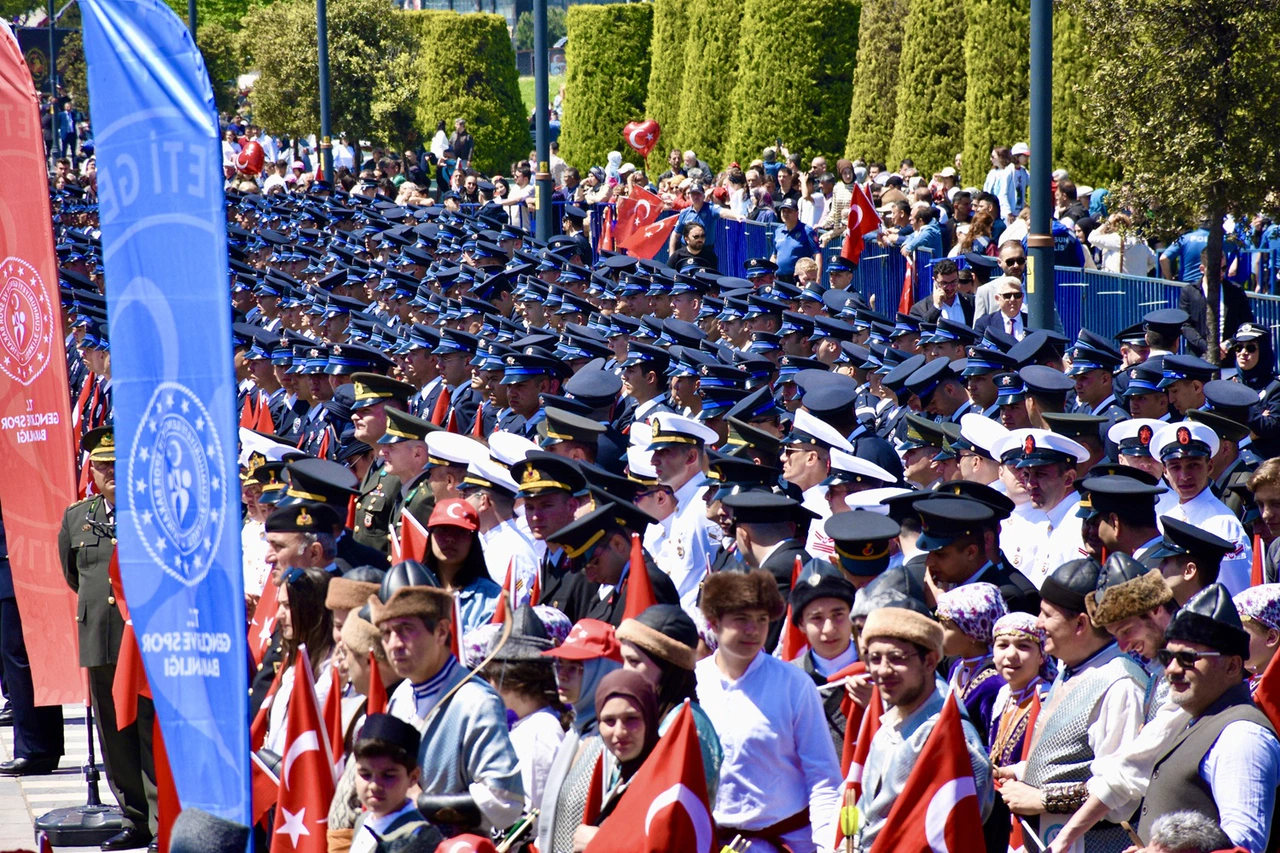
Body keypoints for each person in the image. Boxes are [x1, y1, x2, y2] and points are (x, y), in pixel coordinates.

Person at [999, 558, 1148, 853]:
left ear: (1080, 623)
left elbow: (1123, 789)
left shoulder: (1120, 684)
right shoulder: (1071, 666)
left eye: (1046, 615)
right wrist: (1021, 771)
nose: (1038, 624)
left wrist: (1042, 798)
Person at [59, 426, 156, 849]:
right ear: (92, 470)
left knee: (150, 732)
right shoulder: (77, 516)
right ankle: (133, 818)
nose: (111, 470)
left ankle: (160, 821)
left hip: (145, 642)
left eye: (118, 463)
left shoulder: (152, 511)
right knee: (113, 734)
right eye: (102, 464)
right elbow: (73, 574)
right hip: (100, 637)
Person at [696, 569, 841, 852]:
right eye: (741, 620)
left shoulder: (794, 684)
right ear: (714, 623)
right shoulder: (694, 682)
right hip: (710, 841)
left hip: (788, 841)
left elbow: (823, 776)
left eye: (761, 620)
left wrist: (825, 845)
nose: (753, 630)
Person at [1136, 585, 1280, 853]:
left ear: (1232, 666)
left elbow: (1244, 845)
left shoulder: (1242, 735)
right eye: (1167, 657)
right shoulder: (1195, 719)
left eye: (1189, 659)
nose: (1173, 669)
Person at [371, 583, 524, 833]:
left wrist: (422, 803)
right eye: (386, 633)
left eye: (406, 629)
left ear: (441, 631)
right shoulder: (401, 696)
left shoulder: (476, 701)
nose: (394, 644)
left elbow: (504, 800)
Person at [854, 605, 994, 850]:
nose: (883, 670)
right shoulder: (885, 730)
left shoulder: (950, 735)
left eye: (897, 658)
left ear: (929, 661)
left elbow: (962, 821)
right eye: (874, 658)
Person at [615, 604, 722, 797]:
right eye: (623, 660)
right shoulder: (655, 716)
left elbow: (669, 814)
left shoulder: (687, 729)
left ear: (667, 668)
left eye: (634, 662)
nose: (624, 672)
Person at [536, 619, 623, 853]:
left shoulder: (617, 742)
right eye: (559, 664)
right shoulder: (576, 731)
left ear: (603, 670)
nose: (561, 676)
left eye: (573, 667)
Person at [1152, 422, 1251, 594]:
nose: (1184, 476)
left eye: (1193, 465)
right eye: (1175, 467)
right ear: (1164, 471)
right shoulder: (1167, 515)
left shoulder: (1224, 524)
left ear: (1209, 466)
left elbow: (1236, 592)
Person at [349, 714, 443, 853]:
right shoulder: (363, 820)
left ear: (413, 777)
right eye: (365, 774)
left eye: (388, 776)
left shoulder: (421, 836)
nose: (374, 785)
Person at [936, 582, 1008, 747]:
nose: (938, 631)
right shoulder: (958, 667)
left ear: (972, 633)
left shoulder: (993, 683)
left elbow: (994, 743)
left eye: (946, 627)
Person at [421, 499, 502, 633]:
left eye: (460, 532)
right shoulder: (416, 589)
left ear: (473, 540)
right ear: (431, 535)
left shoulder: (492, 598)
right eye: (442, 530)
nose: (450, 539)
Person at [1233, 584, 1280, 693]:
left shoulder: (1273, 692)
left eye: (1239, 633)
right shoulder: (1251, 684)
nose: (1232, 640)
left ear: (1271, 637)